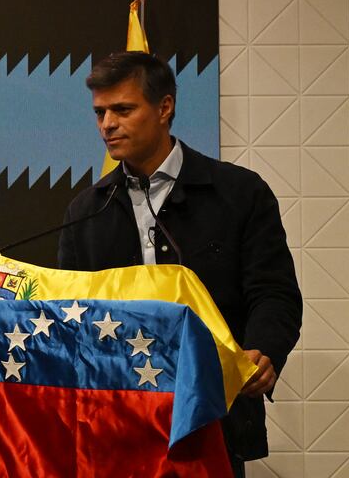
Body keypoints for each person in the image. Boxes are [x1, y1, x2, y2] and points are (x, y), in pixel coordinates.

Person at [58, 51, 302, 477]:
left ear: (164, 107)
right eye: (100, 112)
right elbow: (69, 314)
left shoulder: (240, 193)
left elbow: (274, 292)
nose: (107, 124)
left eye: (123, 110)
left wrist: (263, 351)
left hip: (214, 417)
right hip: (116, 424)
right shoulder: (86, 211)